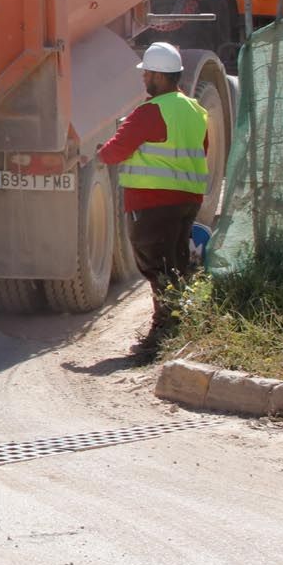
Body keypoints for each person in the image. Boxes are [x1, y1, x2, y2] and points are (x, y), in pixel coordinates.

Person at [96, 42, 209, 350]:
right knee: (176, 262)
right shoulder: (196, 110)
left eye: (146, 73)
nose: (144, 78)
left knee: (156, 266)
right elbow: (203, 149)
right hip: (188, 199)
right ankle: (180, 324)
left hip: (152, 202)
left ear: (159, 75)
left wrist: (96, 155)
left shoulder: (149, 112)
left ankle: (162, 333)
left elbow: (117, 149)